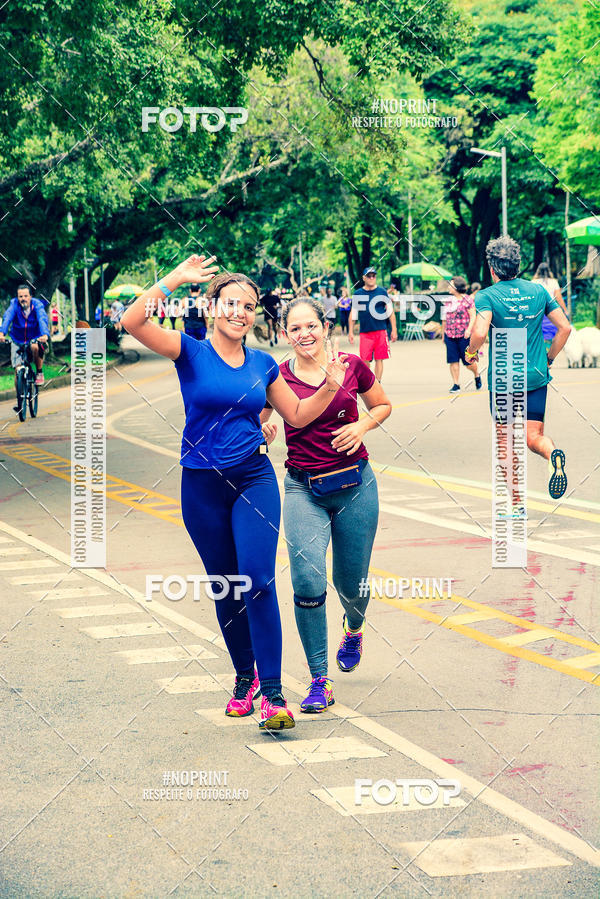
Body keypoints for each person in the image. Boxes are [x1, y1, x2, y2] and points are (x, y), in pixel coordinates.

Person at [121, 256, 349, 730]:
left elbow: (299, 415)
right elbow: (132, 320)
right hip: (201, 485)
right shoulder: (189, 352)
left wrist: (328, 388)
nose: (239, 312)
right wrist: (175, 278)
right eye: (231, 304)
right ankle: (243, 678)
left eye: (248, 306)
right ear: (212, 308)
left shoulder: (264, 365)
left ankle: (272, 695)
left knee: (259, 581)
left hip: (253, 478)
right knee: (227, 585)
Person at [260, 298, 391, 712]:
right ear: (285, 334)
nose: (304, 335)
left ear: (325, 326)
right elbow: (261, 415)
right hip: (303, 488)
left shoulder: (352, 365)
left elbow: (383, 405)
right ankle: (320, 679)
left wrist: (362, 424)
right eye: (295, 328)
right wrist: (264, 425)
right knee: (306, 578)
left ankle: (354, 626)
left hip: (356, 486)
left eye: (311, 326)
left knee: (351, 584)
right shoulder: (277, 376)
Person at [465, 236, 571, 500]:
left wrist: (470, 352)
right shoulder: (538, 291)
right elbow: (565, 328)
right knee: (533, 436)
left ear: (491, 268)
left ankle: (515, 503)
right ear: (518, 265)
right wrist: (549, 358)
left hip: (503, 380)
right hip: (535, 377)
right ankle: (551, 454)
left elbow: (479, 331)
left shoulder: (487, 296)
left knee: (506, 442)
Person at [349, 266, 397, 381]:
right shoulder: (358, 293)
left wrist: (394, 329)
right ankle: (369, 381)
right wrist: (350, 331)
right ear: (364, 278)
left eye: (373, 276)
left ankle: (378, 382)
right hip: (365, 332)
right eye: (369, 276)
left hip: (380, 330)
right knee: (365, 361)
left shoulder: (382, 292)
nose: (371, 278)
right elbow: (353, 313)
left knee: (379, 359)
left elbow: (390, 312)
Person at [0, 285, 50, 395]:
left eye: (26, 296)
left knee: (35, 347)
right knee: (17, 370)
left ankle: (39, 372)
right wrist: (2, 333)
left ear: (30, 296)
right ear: (17, 297)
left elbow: (42, 319)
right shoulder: (14, 305)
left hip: (34, 337)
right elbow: (7, 317)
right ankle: (20, 398)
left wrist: (45, 335)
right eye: (20, 296)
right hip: (17, 339)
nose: (23, 298)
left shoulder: (37, 305)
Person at [442, 276, 482, 392]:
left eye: (451, 284)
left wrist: (469, 330)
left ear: (457, 287)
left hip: (464, 335)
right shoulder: (448, 300)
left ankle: (476, 374)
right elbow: (444, 318)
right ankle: (456, 384)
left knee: (468, 363)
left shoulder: (468, 300)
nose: (449, 286)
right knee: (453, 360)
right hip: (450, 334)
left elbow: (473, 315)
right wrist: (443, 333)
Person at [532, 263, 569, 347]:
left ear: (538, 271)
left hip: (539, 311)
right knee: (553, 331)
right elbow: (559, 297)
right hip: (551, 311)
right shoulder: (554, 282)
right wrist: (565, 310)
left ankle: (543, 352)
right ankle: (551, 352)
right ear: (549, 271)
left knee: (540, 332)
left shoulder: (533, 282)